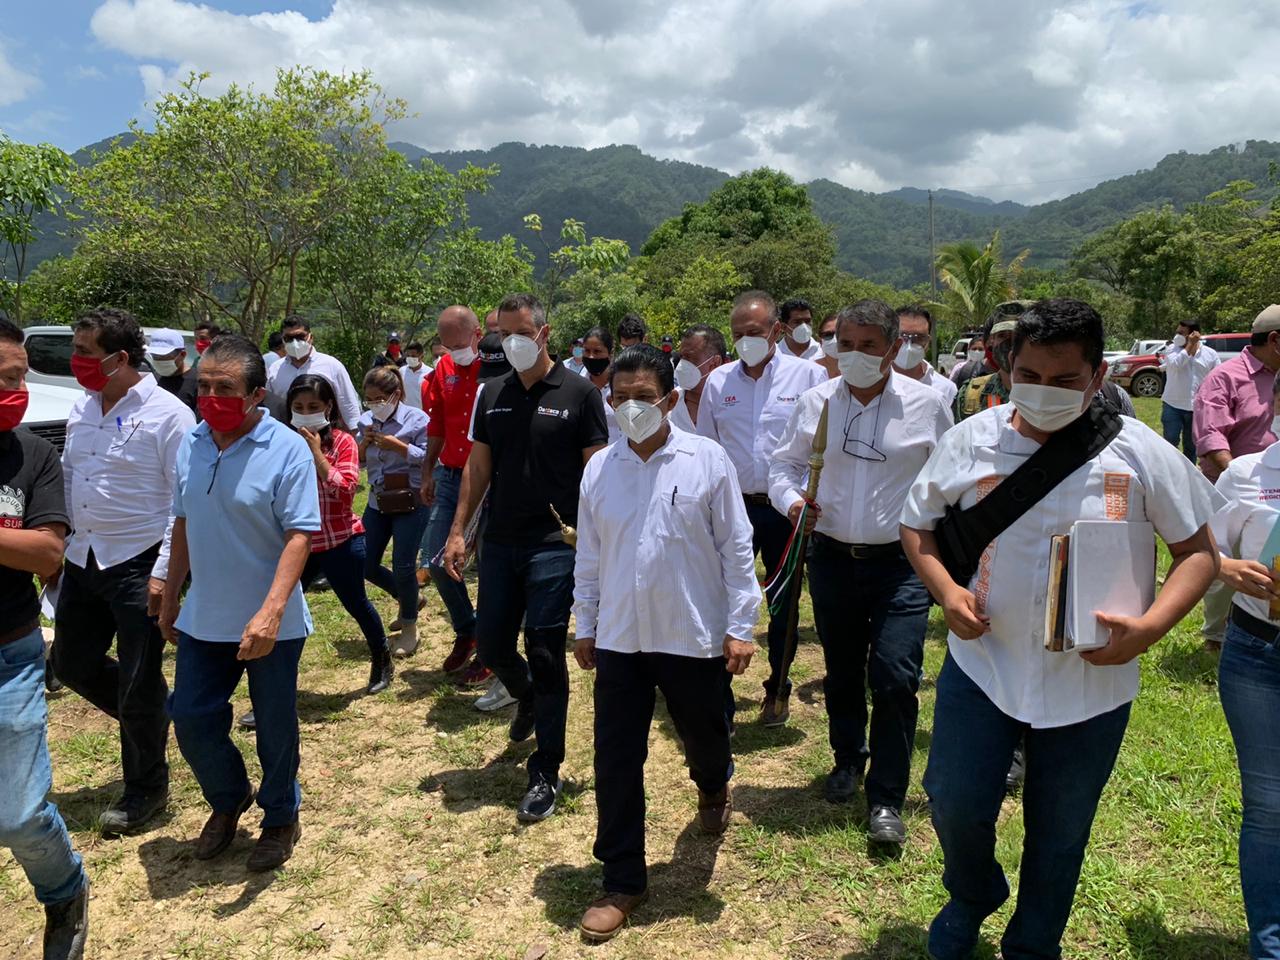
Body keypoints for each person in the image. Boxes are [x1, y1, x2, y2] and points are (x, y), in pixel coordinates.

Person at [900, 298, 1220, 960]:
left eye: (1065, 380)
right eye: (1030, 377)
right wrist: (946, 591)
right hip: (984, 665)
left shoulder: (1138, 451)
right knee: (953, 800)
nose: (1044, 392)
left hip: (1090, 685)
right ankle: (972, 894)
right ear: (1007, 368)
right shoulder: (971, 439)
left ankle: (1033, 944)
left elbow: (1198, 553)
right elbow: (917, 525)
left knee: (1061, 831)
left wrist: (1151, 628)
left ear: (1098, 376)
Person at [572, 345, 759, 942]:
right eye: (621, 398)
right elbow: (590, 554)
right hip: (621, 636)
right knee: (616, 757)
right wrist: (585, 622)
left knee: (704, 732)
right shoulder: (600, 469)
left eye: (644, 398)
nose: (632, 408)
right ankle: (623, 877)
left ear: (671, 400)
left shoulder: (707, 461)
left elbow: (736, 548)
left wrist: (741, 625)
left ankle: (713, 781)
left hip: (691, 633)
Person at [770, 299, 952, 842]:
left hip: (901, 564)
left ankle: (887, 797)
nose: (854, 355)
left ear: (893, 348)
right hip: (832, 558)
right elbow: (783, 466)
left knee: (896, 676)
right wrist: (793, 503)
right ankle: (848, 757)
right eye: (845, 344)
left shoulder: (927, 405)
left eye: (868, 345)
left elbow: (949, 480)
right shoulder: (816, 401)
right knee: (843, 669)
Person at [442, 292, 608, 823]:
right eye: (503, 334)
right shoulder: (492, 393)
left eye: (521, 332)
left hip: (555, 543)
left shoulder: (580, 394)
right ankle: (528, 698)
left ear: (544, 333)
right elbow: (478, 467)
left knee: (544, 650)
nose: (511, 342)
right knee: (492, 643)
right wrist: (458, 530)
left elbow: (598, 473)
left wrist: (601, 542)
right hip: (500, 540)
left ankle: (546, 768)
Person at [158, 335, 321, 872]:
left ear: (255, 394)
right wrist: (171, 593)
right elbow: (183, 521)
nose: (210, 397)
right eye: (203, 386)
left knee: (274, 726)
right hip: (205, 615)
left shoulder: (287, 448)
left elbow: (299, 535)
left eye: (224, 388)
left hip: (272, 621)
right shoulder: (193, 442)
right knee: (191, 717)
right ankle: (228, 798)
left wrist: (271, 611)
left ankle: (280, 816)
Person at [52, 308, 195, 837]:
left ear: (119, 357)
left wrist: (165, 575)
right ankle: (154, 716)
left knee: (138, 680)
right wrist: (59, 548)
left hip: (140, 559)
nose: (75, 360)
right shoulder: (81, 407)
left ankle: (146, 788)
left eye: (84, 351)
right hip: (84, 556)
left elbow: (183, 501)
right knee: (70, 664)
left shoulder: (168, 414)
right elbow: (71, 477)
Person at [0, 316, 90, 960]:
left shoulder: (32, 455)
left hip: (11, 653)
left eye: (18, 377)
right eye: (2, 379)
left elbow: (47, 552)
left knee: (19, 815)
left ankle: (64, 889)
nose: (14, 392)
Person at [697, 290, 826, 729]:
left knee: (783, 603)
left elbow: (816, 446)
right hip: (732, 509)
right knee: (720, 598)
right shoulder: (719, 382)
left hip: (783, 510)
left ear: (776, 330)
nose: (744, 341)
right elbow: (708, 449)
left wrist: (802, 501)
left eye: (753, 332)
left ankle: (778, 687)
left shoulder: (808, 376)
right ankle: (720, 698)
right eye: (737, 334)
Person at [1208, 378, 1280, 959]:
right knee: (1270, 806)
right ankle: (1270, 944)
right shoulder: (1246, 475)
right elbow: (1200, 548)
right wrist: (1227, 567)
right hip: (1260, 655)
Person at [291, 375, 393, 693]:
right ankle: (278, 682)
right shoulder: (282, 443)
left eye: (313, 406)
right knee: (285, 611)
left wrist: (317, 454)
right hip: (299, 544)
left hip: (340, 540)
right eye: (298, 407)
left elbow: (346, 489)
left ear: (328, 407)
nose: (305, 413)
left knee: (356, 603)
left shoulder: (343, 442)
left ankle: (382, 657)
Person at [1194, 305, 1280, 651]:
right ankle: (1216, 634)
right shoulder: (1225, 377)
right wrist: (1244, 478)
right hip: (1238, 486)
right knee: (1227, 564)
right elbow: (1211, 435)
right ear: (1275, 340)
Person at [419, 305, 489, 685]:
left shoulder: (496, 368)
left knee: (491, 567)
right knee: (435, 558)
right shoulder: (442, 370)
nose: (454, 352)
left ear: (478, 334)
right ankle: (468, 629)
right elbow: (437, 423)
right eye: (447, 346)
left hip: (487, 479)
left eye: (460, 345)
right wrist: (427, 470)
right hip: (448, 474)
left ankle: (491, 648)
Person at [358, 366, 430, 658]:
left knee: (403, 565)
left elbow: (430, 457)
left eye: (379, 398)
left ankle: (409, 626)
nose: (374, 404)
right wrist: (363, 444)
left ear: (396, 395)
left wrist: (399, 447)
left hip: (411, 502)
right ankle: (408, 596)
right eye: (369, 399)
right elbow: (359, 461)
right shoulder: (365, 421)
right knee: (364, 562)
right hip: (378, 502)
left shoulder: (418, 419)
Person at [265, 314, 362, 430]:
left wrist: (355, 432)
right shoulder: (274, 370)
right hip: (287, 434)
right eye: (289, 338)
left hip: (327, 434)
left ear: (311, 337)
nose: (295, 342)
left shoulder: (332, 365)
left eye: (300, 337)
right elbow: (270, 406)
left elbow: (348, 404)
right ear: (283, 340)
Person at [955, 303, 1030, 421]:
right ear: (991, 341)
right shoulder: (971, 394)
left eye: (1018, 336)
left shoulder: (1045, 395)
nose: (1010, 343)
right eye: (1002, 335)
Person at [1158, 320, 1219, 464]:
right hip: (1172, 405)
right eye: (1177, 332)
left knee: (1191, 446)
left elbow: (1216, 377)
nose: (1177, 335)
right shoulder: (1172, 349)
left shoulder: (1210, 354)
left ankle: (1189, 472)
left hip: (1196, 407)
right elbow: (1176, 364)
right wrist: (1189, 346)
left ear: (1194, 334)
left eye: (1181, 333)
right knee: (1170, 442)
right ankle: (1170, 470)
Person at [893, 305, 958, 410]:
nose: (909, 346)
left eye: (919, 338)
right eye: (902, 337)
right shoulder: (873, 384)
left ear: (928, 342)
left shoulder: (946, 389)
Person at [670, 323, 726, 432]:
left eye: (689, 358)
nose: (681, 365)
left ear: (714, 363)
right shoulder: (670, 404)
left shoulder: (733, 404)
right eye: (682, 357)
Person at [581, 326, 620, 442]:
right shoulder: (577, 385)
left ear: (610, 353)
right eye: (587, 351)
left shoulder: (622, 385)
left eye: (597, 351)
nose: (591, 356)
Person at [146, 328, 199, 414]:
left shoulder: (199, 382)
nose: (159, 360)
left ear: (182, 355)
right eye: (155, 356)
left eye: (165, 357)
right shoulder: (152, 380)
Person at [779, 298, 822, 362]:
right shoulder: (775, 354)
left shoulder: (822, 352)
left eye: (807, 321)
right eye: (797, 322)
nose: (804, 326)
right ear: (784, 327)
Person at [400, 342, 431, 411]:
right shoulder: (401, 371)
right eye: (408, 356)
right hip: (405, 412)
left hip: (422, 413)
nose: (410, 358)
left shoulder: (430, 373)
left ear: (421, 356)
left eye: (413, 356)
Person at [817, 312, 840, 379]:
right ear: (820, 340)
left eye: (839, 333)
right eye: (828, 335)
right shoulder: (810, 370)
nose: (835, 339)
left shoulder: (861, 370)